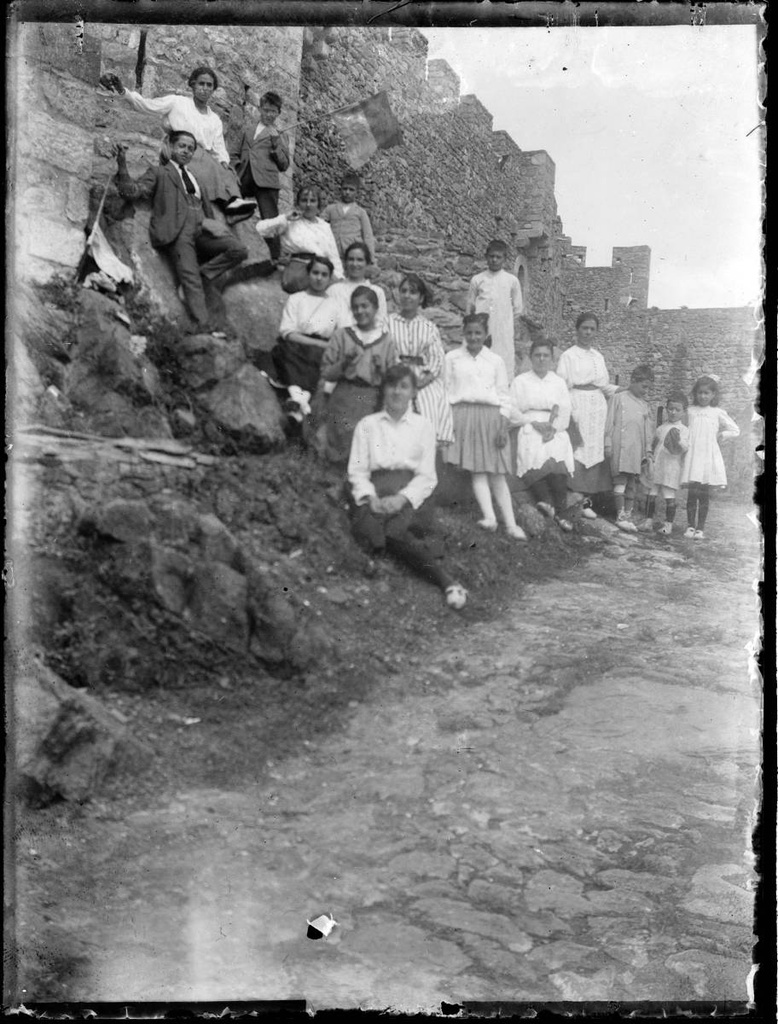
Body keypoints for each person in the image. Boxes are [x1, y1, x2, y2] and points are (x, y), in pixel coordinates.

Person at [347, 365, 467, 611]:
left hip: (410, 488)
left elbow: (426, 476)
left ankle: (445, 581)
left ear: (413, 392)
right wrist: (370, 497)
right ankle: (390, 563)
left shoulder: (423, 426)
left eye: (404, 387)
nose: (397, 392)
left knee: (395, 532)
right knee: (369, 528)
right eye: (392, 386)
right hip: (377, 487)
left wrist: (402, 499)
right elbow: (357, 471)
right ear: (384, 389)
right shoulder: (367, 425)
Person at [114, 132, 247, 335]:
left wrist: (213, 225)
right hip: (177, 232)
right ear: (171, 148)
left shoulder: (197, 178)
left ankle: (205, 275)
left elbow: (207, 212)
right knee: (190, 276)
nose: (186, 151)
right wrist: (122, 162)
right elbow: (131, 192)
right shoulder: (159, 172)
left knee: (238, 250)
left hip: (202, 229)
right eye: (182, 146)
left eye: (190, 148)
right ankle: (204, 328)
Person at [99, 66, 255, 222]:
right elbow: (146, 105)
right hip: (178, 147)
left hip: (202, 155)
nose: (205, 89)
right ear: (193, 85)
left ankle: (234, 203)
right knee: (204, 163)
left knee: (227, 170)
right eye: (201, 84)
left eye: (209, 85)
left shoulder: (214, 119)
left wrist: (224, 162)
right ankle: (226, 201)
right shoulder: (177, 102)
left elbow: (219, 147)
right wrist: (123, 91)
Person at [443, 313, 527, 540]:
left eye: (478, 333)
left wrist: (502, 426)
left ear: (486, 335)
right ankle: (489, 517)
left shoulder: (495, 361)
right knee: (477, 468)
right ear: (463, 333)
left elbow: (504, 396)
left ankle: (510, 524)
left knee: (497, 471)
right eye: (469, 332)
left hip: (491, 418)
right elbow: (445, 391)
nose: (473, 337)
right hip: (463, 416)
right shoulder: (452, 358)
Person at [319, 286, 398, 463]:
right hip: (344, 396)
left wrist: (380, 370)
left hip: (371, 399)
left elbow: (393, 380)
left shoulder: (386, 341)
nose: (360, 311)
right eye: (355, 307)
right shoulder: (342, 336)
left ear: (376, 308)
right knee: (338, 439)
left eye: (365, 306)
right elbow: (326, 372)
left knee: (364, 442)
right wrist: (344, 363)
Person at [555, 312, 619, 518]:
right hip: (578, 401)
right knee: (579, 446)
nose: (588, 332)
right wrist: (567, 410)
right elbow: (561, 385)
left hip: (597, 405)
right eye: (584, 328)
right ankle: (577, 499)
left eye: (592, 329)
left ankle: (590, 500)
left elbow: (604, 385)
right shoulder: (568, 355)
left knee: (595, 448)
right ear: (577, 330)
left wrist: (623, 391)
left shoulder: (598, 356)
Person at [508, 338, 575, 532]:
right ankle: (547, 502)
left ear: (552, 359)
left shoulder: (558, 382)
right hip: (530, 425)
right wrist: (530, 422)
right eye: (537, 355)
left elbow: (565, 410)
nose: (541, 359)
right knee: (534, 452)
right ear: (530, 357)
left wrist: (554, 429)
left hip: (553, 426)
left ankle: (561, 511)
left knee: (557, 450)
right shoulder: (521, 381)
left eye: (546, 355)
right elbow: (512, 409)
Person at [387, 274, 454, 448]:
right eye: (404, 291)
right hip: (396, 375)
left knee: (431, 399)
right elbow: (385, 353)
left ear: (421, 298)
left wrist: (420, 383)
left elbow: (437, 360)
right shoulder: (387, 323)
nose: (407, 296)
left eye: (413, 292)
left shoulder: (428, 327)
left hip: (423, 378)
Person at [229, 90, 290, 263]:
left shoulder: (281, 135)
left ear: (278, 113)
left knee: (270, 220)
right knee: (229, 205)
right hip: (244, 177)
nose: (269, 114)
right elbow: (234, 153)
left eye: (273, 111)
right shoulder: (248, 130)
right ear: (260, 109)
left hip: (266, 181)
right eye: (266, 110)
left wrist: (276, 143)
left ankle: (276, 258)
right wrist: (235, 170)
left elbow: (284, 165)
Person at [680, 375, 740, 540]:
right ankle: (690, 526)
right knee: (692, 493)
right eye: (700, 393)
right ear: (695, 393)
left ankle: (700, 528)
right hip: (693, 456)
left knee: (704, 494)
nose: (703, 396)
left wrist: (723, 434)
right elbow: (682, 428)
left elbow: (735, 429)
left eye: (707, 393)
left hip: (707, 457)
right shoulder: (690, 411)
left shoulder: (717, 412)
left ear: (713, 394)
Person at [255, 185, 343, 291]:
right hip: (297, 269)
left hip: (320, 269)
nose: (308, 205)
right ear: (298, 203)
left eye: (313, 201)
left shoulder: (325, 226)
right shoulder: (289, 221)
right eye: (304, 200)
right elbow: (259, 230)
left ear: (318, 204)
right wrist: (284, 218)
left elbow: (333, 256)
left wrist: (339, 277)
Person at [273, 256, 340, 394]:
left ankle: (299, 397)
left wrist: (325, 345)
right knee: (281, 351)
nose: (319, 278)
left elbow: (339, 334)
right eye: (315, 273)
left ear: (330, 278)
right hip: (296, 346)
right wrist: (316, 343)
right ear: (308, 274)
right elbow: (288, 333)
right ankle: (299, 396)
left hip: (322, 350)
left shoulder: (335, 305)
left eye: (324, 274)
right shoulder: (296, 299)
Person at [603, 364, 655, 533]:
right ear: (633, 381)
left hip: (636, 448)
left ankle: (628, 514)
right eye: (643, 386)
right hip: (620, 445)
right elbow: (609, 421)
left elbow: (647, 431)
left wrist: (647, 450)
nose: (645, 391)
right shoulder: (619, 398)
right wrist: (608, 442)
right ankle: (620, 516)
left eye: (648, 388)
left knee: (632, 482)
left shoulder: (644, 406)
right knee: (620, 480)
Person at [466, 239, 523, 378]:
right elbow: (470, 306)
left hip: (503, 329)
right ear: (486, 257)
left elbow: (518, 309)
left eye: (498, 257)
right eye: (492, 256)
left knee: (502, 363)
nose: (494, 260)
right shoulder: (477, 279)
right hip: (481, 328)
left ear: (504, 259)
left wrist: (505, 322)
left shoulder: (512, 281)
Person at [645, 390, 690, 535]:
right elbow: (654, 444)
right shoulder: (661, 428)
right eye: (670, 409)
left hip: (671, 466)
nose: (673, 412)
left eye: (677, 409)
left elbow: (684, 448)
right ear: (666, 409)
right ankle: (648, 521)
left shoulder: (683, 430)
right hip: (658, 464)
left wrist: (677, 441)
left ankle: (668, 525)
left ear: (684, 412)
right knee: (651, 493)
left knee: (669, 495)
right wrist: (650, 455)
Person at [328, 242, 388, 330]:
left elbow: (381, 324)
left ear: (367, 263)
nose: (355, 264)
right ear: (345, 262)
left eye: (359, 260)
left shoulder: (377, 292)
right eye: (351, 259)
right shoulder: (333, 291)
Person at [321, 173, 376, 261]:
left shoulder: (361, 212)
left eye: (351, 190)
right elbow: (319, 227)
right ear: (340, 189)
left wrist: (371, 258)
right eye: (345, 189)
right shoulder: (330, 209)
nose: (347, 192)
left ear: (357, 192)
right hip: (334, 252)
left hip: (353, 254)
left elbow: (368, 235)